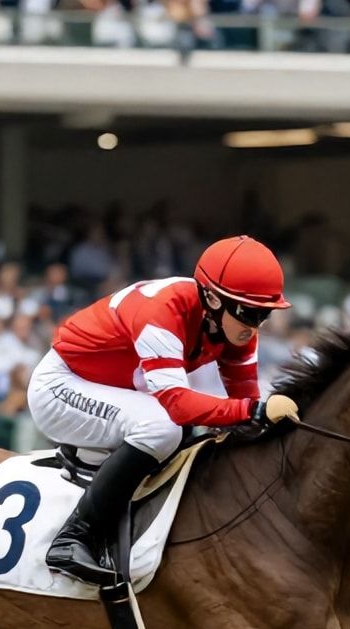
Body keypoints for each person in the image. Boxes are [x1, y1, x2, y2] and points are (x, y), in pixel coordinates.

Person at [28, 235, 299, 587]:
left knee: (187, 430)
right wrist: (255, 411)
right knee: (164, 428)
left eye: (264, 314)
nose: (255, 325)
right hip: (60, 387)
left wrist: (266, 422)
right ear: (213, 299)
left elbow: (244, 398)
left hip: (113, 389)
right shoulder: (163, 312)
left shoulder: (233, 326)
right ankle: (74, 538)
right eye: (249, 312)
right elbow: (180, 404)